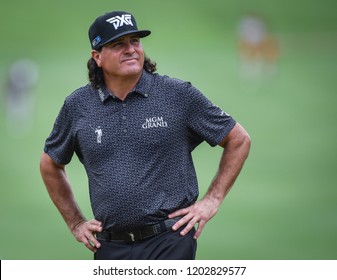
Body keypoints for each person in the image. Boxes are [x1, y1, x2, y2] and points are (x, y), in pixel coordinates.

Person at [40, 10, 251, 260]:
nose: (131, 49)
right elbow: (50, 165)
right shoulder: (78, 106)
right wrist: (75, 222)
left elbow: (238, 139)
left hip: (169, 240)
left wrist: (212, 200)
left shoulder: (176, 95)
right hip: (110, 247)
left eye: (135, 41)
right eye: (118, 44)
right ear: (97, 56)